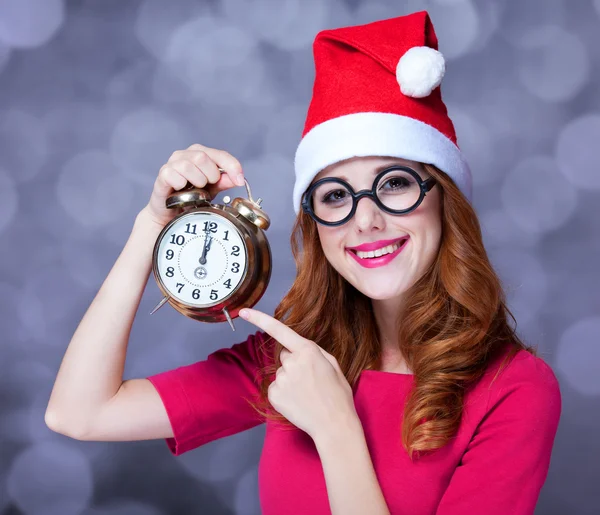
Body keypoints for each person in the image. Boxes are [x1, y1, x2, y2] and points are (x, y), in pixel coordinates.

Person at [45, 10, 562, 515]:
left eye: (396, 184)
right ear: (316, 225)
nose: (365, 222)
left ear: (444, 198)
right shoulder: (292, 359)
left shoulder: (515, 389)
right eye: (336, 196)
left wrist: (336, 427)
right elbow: (80, 412)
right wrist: (153, 224)